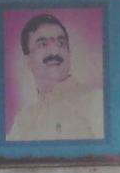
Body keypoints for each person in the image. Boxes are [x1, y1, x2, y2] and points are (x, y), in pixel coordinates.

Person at [6, 13, 103, 142]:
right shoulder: (22, 121)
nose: (54, 51)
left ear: (69, 54)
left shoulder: (96, 102)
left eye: (61, 43)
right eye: (43, 44)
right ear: (27, 61)